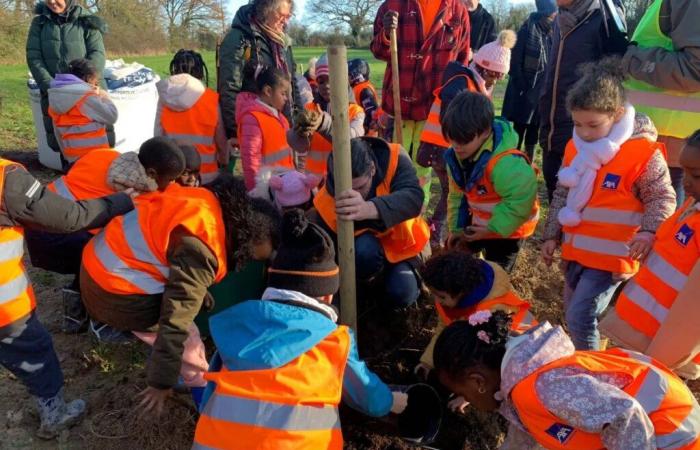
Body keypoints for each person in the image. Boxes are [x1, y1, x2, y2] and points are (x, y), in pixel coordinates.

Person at [193, 210, 407, 448]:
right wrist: (391, 402)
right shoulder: (334, 341)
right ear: (327, 296)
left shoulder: (235, 329)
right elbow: (368, 397)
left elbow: (207, 399)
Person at [80, 175, 281, 414]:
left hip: (100, 264)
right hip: (117, 293)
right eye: (251, 256)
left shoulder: (205, 203)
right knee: (189, 341)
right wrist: (160, 381)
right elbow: (175, 323)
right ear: (247, 238)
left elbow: (173, 262)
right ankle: (202, 398)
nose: (248, 262)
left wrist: (196, 291)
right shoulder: (202, 249)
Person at [541, 59, 676, 351]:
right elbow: (563, 194)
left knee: (580, 316)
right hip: (577, 253)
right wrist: (551, 235)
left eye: (593, 124)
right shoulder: (575, 147)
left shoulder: (642, 153)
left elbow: (661, 197)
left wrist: (649, 231)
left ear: (616, 114)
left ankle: (592, 372)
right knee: (573, 311)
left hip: (612, 258)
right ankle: (589, 358)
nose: (585, 132)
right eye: (578, 124)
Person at [0, 156, 133, 439]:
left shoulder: (94, 159)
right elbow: (71, 217)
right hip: (5, 306)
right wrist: (122, 201)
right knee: (35, 350)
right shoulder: (6, 179)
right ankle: (55, 414)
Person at [433, 310, 700, 449]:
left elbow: (625, 415)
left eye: (465, 394)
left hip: (674, 440)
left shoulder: (545, 387)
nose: (468, 401)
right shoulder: (520, 373)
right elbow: (523, 434)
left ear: (478, 382)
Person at [25, 138, 185, 333]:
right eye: (170, 179)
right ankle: (92, 314)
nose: (173, 183)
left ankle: (79, 300)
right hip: (60, 239)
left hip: (36, 225)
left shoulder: (102, 154)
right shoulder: (140, 196)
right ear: (151, 173)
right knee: (105, 256)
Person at [601, 130, 700, 380]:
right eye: (685, 171)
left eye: (696, 175)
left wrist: (660, 364)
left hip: (661, 355)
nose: (685, 182)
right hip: (640, 336)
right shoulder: (692, 203)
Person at [419, 30, 516, 249]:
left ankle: (441, 233)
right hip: (446, 148)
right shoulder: (462, 84)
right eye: (495, 74)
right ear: (484, 66)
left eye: (501, 75)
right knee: (454, 194)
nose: (498, 79)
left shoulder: (475, 83)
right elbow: (453, 121)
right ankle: (439, 235)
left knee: (452, 194)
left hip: (452, 148)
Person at [371, 0, 471, 208]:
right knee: (390, 165)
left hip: (432, 110)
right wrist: (387, 35)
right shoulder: (392, 5)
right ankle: (389, 215)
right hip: (397, 104)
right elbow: (378, 50)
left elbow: (461, 64)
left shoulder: (457, 12)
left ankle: (415, 217)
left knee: (422, 169)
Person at [308, 137, 429, 308]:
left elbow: (414, 199)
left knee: (403, 293)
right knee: (364, 251)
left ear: (372, 168)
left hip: (404, 249)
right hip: (364, 256)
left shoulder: (395, 157)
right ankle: (367, 291)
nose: (354, 194)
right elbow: (324, 258)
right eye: (346, 190)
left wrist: (368, 208)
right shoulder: (324, 200)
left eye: (359, 187)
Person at [539, 0, 629, 202]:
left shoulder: (605, 17)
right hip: (551, 130)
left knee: (575, 206)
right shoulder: (559, 19)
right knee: (555, 198)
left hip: (583, 135)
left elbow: (615, 76)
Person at [442, 91, 540, 273]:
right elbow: (457, 197)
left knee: (496, 274)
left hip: (510, 230)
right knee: (464, 261)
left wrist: (491, 230)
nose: (456, 145)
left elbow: (520, 201)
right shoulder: (456, 158)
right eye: (451, 137)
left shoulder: (505, 164)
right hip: (482, 224)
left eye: (463, 140)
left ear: (485, 132)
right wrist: (456, 229)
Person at [623, 0, 700, 207]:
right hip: (664, 143)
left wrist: (630, 57)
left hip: (670, 148)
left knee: (660, 232)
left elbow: (695, 69)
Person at [416, 251, 536, 376]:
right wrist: (428, 363)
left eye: (441, 296)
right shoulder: (449, 296)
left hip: (522, 351)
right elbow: (443, 328)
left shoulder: (491, 313)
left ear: (461, 292)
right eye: (433, 293)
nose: (436, 300)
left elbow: (487, 357)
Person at [26, 0, 111, 157]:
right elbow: (34, 57)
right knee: (67, 146)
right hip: (57, 93)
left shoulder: (87, 20)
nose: (52, 1)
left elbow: (97, 54)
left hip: (89, 91)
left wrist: (85, 86)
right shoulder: (39, 23)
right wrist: (50, 86)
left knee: (99, 145)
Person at [218, 0, 296, 153]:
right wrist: (236, 131)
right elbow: (229, 88)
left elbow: (292, 83)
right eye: (281, 15)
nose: (285, 21)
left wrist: (296, 123)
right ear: (266, 10)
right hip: (254, 129)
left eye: (288, 16)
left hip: (282, 126)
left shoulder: (283, 42)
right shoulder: (239, 39)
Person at [155, 49, 228, 185]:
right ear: (200, 71)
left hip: (175, 178)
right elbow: (221, 141)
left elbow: (158, 137)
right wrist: (224, 161)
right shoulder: (210, 99)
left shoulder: (164, 99)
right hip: (207, 176)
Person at [288, 55, 365, 179]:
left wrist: (324, 124)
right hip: (314, 182)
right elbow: (300, 147)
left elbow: (352, 141)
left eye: (331, 79)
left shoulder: (355, 112)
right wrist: (297, 133)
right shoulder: (310, 108)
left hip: (341, 181)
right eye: (321, 81)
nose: (326, 85)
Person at [502, 0, 556, 160]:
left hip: (541, 92)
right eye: (554, 10)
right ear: (548, 11)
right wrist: (523, 87)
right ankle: (513, 164)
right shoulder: (527, 30)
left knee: (533, 132)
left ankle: (528, 163)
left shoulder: (553, 33)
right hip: (524, 92)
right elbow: (515, 62)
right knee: (519, 130)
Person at [47, 58, 117, 169]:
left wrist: (67, 156)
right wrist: (104, 96)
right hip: (95, 155)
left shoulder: (56, 96)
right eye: (95, 81)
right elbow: (112, 116)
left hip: (72, 157)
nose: (96, 85)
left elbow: (57, 132)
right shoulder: (86, 97)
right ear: (88, 78)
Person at [236, 65, 295, 190]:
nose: (286, 99)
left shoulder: (281, 118)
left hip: (283, 186)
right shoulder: (252, 120)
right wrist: (257, 194)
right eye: (283, 94)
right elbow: (251, 161)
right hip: (267, 191)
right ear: (268, 91)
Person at [348, 58, 380, 136]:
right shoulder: (359, 88)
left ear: (356, 76)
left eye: (348, 75)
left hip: (367, 134)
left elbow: (371, 113)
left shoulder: (364, 90)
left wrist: (365, 129)